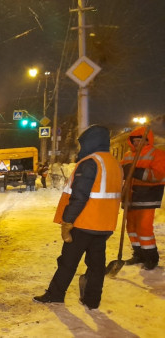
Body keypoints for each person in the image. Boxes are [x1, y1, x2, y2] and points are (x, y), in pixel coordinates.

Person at [34, 125, 122, 310]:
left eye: (83, 144)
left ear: (91, 142)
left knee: (68, 262)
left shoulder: (91, 163)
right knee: (97, 265)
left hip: (84, 222)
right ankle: (92, 300)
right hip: (104, 224)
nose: (81, 148)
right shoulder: (113, 163)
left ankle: (55, 294)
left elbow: (79, 196)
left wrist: (67, 221)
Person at [121, 126, 165, 270]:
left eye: (140, 140)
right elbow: (120, 171)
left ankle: (151, 257)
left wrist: (136, 172)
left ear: (147, 140)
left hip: (147, 196)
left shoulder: (157, 154)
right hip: (130, 196)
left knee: (144, 228)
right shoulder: (128, 155)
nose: (137, 143)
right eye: (135, 141)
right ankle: (138, 254)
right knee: (131, 227)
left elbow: (159, 175)